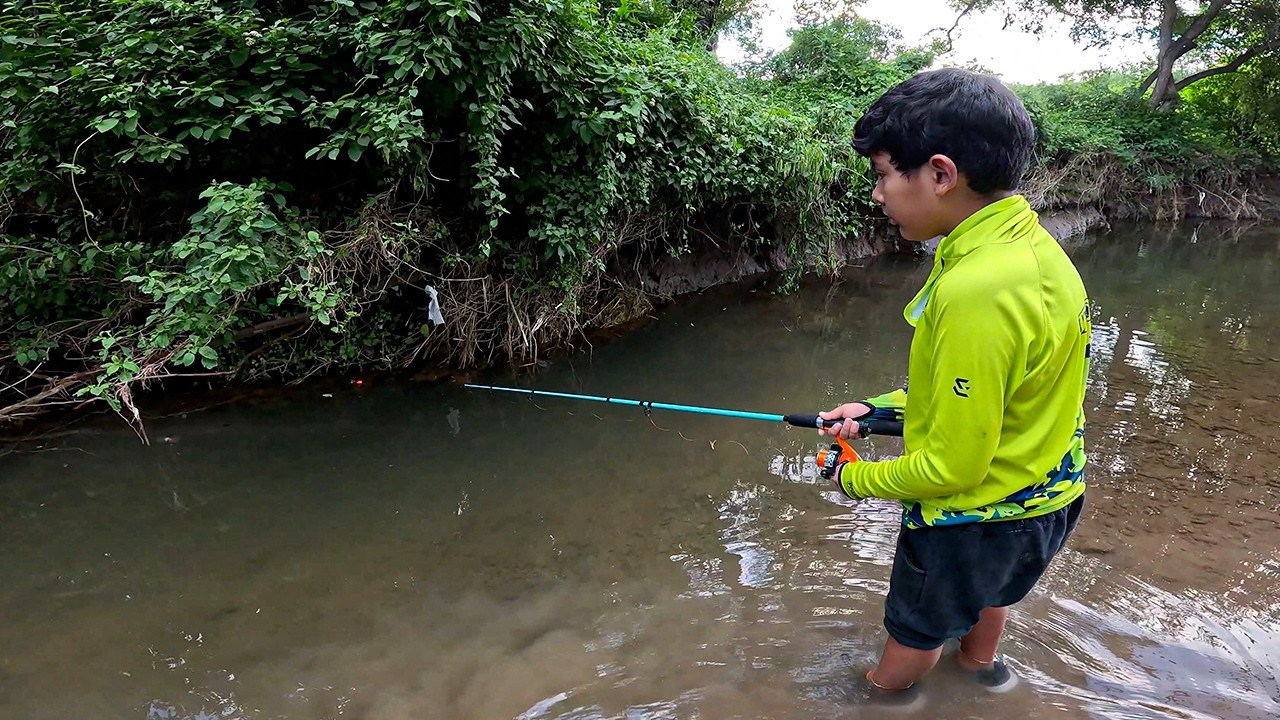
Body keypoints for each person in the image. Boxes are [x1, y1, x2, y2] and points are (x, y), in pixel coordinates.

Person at [817, 68, 1090, 705]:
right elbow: (1001, 394)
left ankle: (887, 701)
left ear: (940, 174)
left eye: (885, 174)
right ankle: (982, 680)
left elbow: (952, 466)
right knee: (990, 595)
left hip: (970, 521)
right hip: (1047, 497)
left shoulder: (977, 290)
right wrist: (878, 409)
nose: (879, 193)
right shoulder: (1036, 252)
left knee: (909, 641)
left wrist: (851, 479)